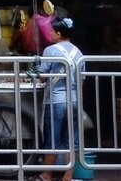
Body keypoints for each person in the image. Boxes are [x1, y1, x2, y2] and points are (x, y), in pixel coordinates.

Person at [37, 17, 84, 181]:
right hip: (75, 101)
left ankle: (47, 174)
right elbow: (81, 79)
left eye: (52, 31)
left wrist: (36, 70)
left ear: (58, 33)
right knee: (72, 139)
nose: (50, 34)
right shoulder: (79, 53)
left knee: (53, 139)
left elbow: (42, 77)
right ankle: (68, 175)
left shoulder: (50, 50)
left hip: (56, 102)